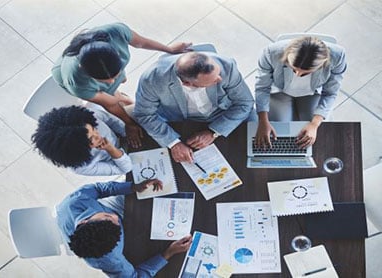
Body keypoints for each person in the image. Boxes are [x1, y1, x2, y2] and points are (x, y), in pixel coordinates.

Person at [52, 22, 192, 148]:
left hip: (102, 70)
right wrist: (129, 124)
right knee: (113, 97)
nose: (112, 82)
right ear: (83, 68)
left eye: (116, 75)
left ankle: (121, 95)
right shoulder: (77, 82)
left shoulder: (116, 31)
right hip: (75, 81)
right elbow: (110, 104)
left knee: (116, 92)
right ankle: (120, 96)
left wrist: (169, 49)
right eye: (104, 80)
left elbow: (141, 43)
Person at [133, 51, 255, 163]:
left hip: (222, 113)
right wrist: (173, 143)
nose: (219, 79)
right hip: (180, 121)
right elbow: (144, 114)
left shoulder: (226, 66)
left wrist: (214, 132)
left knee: (248, 155)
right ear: (187, 83)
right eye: (212, 81)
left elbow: (245, 102)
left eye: (217, 74)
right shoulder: (152, 79)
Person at [56, 179, 193, 277]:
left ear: (85, 221)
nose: (116, 218)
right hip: (125, 237)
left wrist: (133, 187)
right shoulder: (110, 259)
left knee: (162, 188)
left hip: (111, 206)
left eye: (108, 218)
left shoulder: (75, 201)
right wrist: (168, 253)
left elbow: (98, 189)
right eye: (116, 225)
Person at [254, 36, 346, 149]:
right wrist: (263, 121)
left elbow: (330, 93)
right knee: (279, 134)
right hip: (280, 92)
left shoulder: (338, 56)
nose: (297, 75)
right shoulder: (270, 52)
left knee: (315, 140)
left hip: (312, 94)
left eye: (305, 73)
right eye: (293, 69)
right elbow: (262, 88)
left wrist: (314, 124)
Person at [31, 105, 131, 176]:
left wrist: (128, 134)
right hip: (121, 159)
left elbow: (112, 121)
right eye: (91, 139)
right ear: (79, 148)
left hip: (125, 139)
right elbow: (125, 168)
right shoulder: (81, 167)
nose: (97, 135)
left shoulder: (89, 119)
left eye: (94, 129)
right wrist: (110, 149)